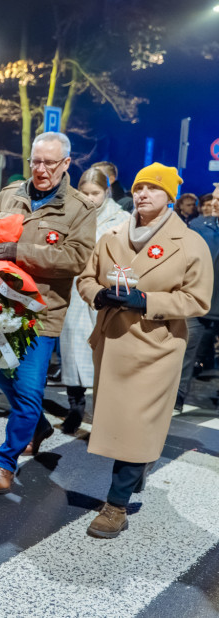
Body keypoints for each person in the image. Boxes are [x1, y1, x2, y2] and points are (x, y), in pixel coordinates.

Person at [76, 162, 212, 538]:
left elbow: (197, 300)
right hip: (113, 341)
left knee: (135, 425)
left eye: (154, 188)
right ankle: (139, 465)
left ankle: (116, 506)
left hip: (157, 347)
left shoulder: (190, 243)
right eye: (139, 187)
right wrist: (97, 294)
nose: (144, 194)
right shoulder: (112, 235)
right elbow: (86, 277)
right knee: (126, 425)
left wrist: (147, 301)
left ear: (169, 197)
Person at [0, 131, 96, 494]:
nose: (41, 170)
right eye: (35, 161)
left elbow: (74, 258)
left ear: (66, 164)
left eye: (49, 163)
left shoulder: (79, 208)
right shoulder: (10, 195)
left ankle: (5, 463)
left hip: (41, 314)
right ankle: (37, 425)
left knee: (27, 390)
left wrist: (16, 251)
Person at [58, 168, 129, 433]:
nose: (90, 199)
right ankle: (75, 408)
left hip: (106, 293)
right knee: (74, 351)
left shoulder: (122, 220)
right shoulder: (70, 216)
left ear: (106, 192)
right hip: (75, 292)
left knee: (104, 354)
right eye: (84, 193)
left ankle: (105, 413)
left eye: (95, 193)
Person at [176, 191, 219, 412]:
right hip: (200, 301)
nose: (214, 204)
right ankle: (176, 398)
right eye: (215, 199)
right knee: (185, 350)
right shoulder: (199, 226)